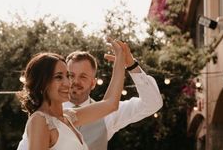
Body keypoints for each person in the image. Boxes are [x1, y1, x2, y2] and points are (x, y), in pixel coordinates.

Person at [17, 42, 162, 150]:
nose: (70, 82)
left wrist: (125, 62)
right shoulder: (40, 120)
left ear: (93, 83)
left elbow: (111, 104)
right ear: (43, 83)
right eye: (59, 77)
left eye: (67, 76)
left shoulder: (68, 117)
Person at [64, 46, 162, 150]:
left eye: (83, 77)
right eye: (71, 75)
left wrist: (132, 66)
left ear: (93, 83)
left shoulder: (108, 113)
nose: (75, 81)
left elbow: (152, 103)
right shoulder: (49, 111)